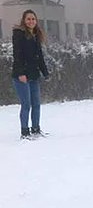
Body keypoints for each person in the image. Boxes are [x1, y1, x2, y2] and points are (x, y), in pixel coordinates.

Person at [11, 9, 50, 140]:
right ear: (24, 20)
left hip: (34, 75)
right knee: (26, 104)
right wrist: (21, 73)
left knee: (36, 104)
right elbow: (17, 55)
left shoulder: (36, 35)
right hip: (21, 76)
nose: (31, 21)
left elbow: (39, 57)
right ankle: (25, 132)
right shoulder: (19, 34)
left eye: (33, 19)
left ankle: (36, 129)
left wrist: (45, 72)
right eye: (28, 19)